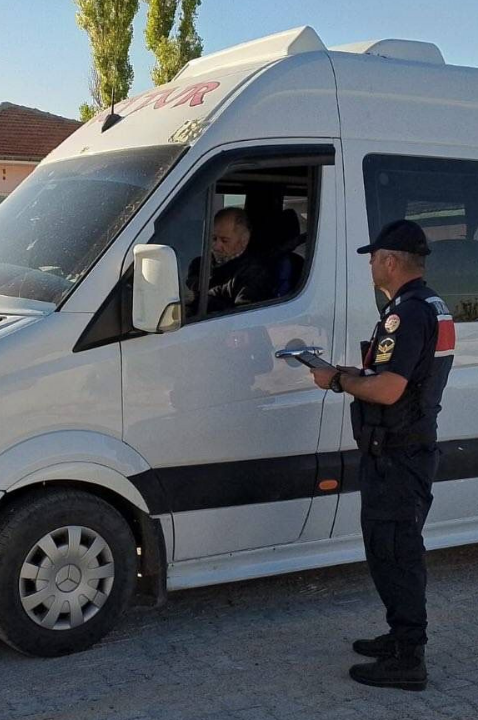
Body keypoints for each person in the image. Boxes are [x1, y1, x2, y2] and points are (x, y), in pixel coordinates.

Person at [311, 219, 456, 691]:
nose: (371, 265)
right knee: (389, 549)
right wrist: (353, 373)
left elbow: (391, 389)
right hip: (402, 450)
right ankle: (399, 637)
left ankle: (408, 658)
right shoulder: (426, 305)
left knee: (396, 553)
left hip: (397, 454)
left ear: (390, 261)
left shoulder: (407, 313)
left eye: (374, 257)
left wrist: (336, 381)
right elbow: (400, 377)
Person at [185, 207, 276, 314]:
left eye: (224, 240)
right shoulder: (199, 264)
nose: (216, 246)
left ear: (243, 241)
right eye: (214, 238)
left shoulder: (253, 273)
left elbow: (243, 316)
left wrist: (200, 300)